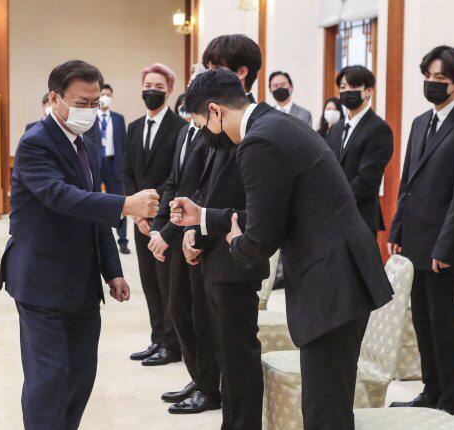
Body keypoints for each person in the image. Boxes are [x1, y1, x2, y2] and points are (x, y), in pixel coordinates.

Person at [171, 68, 394, 430]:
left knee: (325, 411)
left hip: (331, 280)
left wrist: (234, 242)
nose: (207, 136)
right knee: (327, 404)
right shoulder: (274, 124)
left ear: (215, 111)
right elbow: (276, 211)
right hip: (339, 270)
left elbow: (260, 241)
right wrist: (206, 216)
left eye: (202, 125)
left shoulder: (258, 142)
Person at [0, 60, 160, 430]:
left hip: (81, 282)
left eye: (94, 103)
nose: (88, 110)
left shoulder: (86, 144)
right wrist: (125, 204)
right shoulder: (35, 143)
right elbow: (61, 197)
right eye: (80, 103)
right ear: (55, 98)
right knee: (49, 379)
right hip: (41, 281)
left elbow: (92, 212)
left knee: (81, 374)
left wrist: (112, 271)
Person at [388, 46, 454, 415]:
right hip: (415, 239)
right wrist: (397, 228)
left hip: (443, 246)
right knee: (422, 321)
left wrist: (445, 247)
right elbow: (407, 183)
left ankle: (449, 401)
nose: (431, 83)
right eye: (428, 76)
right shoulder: (419, 123)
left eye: (440, 78)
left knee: (444, 324)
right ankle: (430, 390)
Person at [173, 34, 265, 429]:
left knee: (238, 354)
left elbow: (252, 205)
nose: (207, 74)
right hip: (212, 251)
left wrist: (206, 223)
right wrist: (193, 230)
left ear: (241, 73)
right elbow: (206, 187)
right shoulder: (219, 122)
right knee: (220, 347)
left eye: (215, 67)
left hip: (235, 256)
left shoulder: (255, 129)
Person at [149, 67, 221, 415]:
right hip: (176, 229)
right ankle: (198, 376)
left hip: (195, 234)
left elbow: (200, 192)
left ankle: (209, 386)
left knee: (199, 314)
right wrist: (158, 226)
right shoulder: (185, 131)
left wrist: (168, 233)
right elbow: (173, 184)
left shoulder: (213, 135)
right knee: (178, 308)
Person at [123, 63, 186, 366]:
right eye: (148, 85)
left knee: (167, 283)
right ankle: (157, 338)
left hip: (164, 220)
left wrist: (153, 213)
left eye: (158, 87)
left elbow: (176, 177)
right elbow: (127, 172)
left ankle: (172, 344)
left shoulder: (180, 128)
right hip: (140, 221)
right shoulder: (134, 127)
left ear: (169, 90)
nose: (152, 91)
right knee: (148, 281)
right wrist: (137, 214)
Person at [327, 66, 393, 236]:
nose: (347, 91)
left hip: (361, 218)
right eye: (343, 87)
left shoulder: (379, 129)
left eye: (353, 86)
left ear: (369, 91)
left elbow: (368, 179)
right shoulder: (336, 129)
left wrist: (337, 202)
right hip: (332, 219)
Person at [96, 83, 130, 254]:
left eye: (108, 94)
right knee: (95, 201)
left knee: (120, 203)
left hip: (114, 164)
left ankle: (123, 240)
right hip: (96, 164)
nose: (105, 97)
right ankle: (97, 239)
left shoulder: (118, 119)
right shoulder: (91, 118)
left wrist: (125, 167)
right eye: (103, 94)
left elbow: (124, 144)